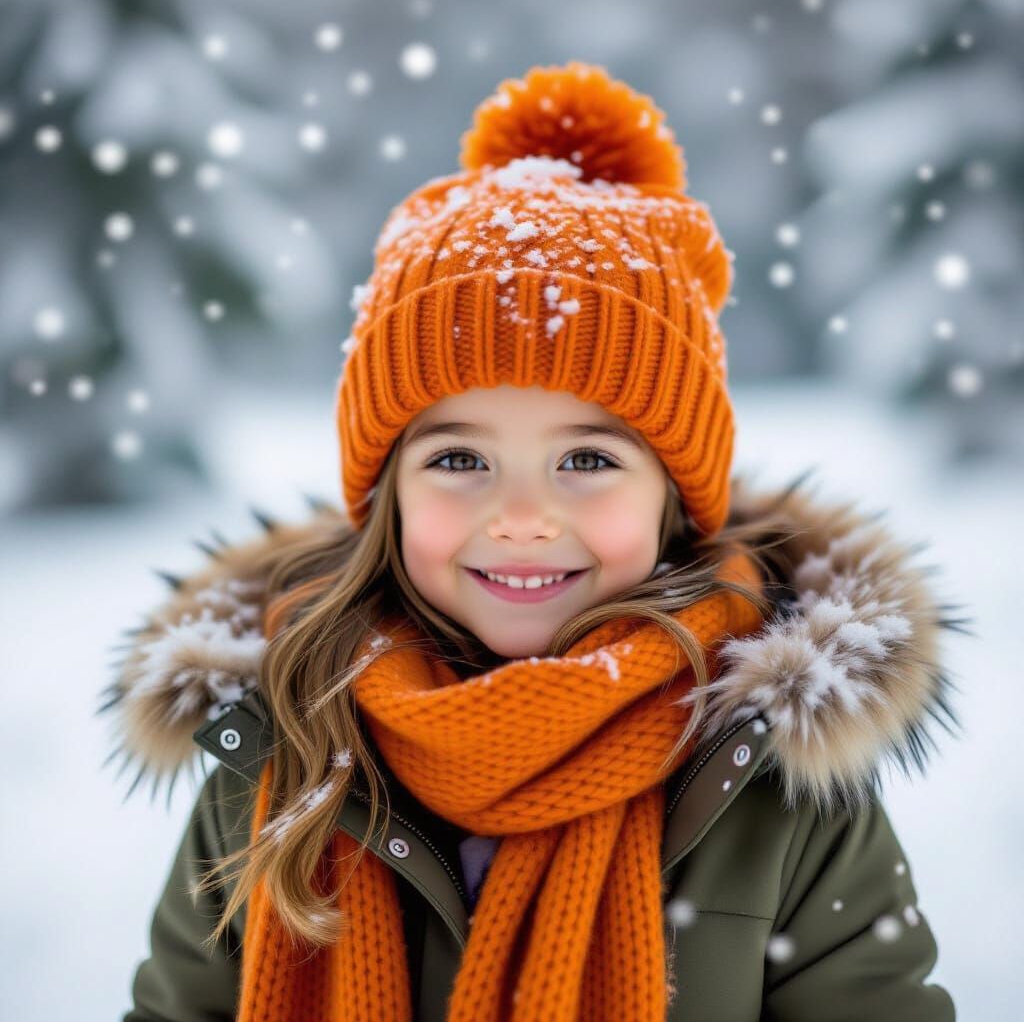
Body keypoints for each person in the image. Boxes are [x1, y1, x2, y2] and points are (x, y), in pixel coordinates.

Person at [101, 61, 966, 1021]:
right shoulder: (281, 752)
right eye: (459, 459)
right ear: (388, 496)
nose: (521, 515)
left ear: (675, 500)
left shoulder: (770, 784)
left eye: (587, 460)